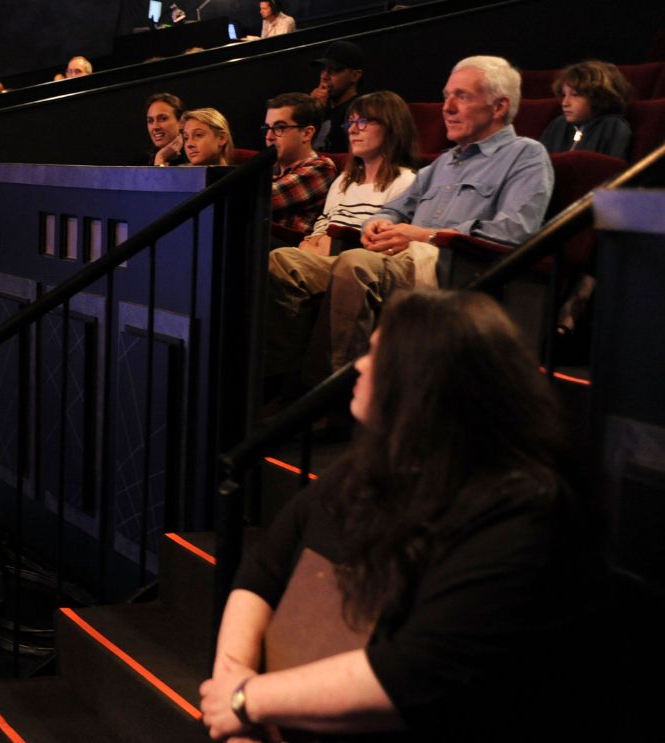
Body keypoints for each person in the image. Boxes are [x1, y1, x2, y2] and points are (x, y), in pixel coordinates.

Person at [201, 288, 600, 741]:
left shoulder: (521, 515)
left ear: (421, 383)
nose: (360, 365)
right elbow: (262, 573)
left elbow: (412, 674)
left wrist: (246, 699)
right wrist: (237, 709)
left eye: (377, 354)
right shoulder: (369, 470)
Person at [273, 56, 553, 384]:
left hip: (456, 267)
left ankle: (328, 394)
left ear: (499, 106)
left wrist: (424, 235)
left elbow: (516, 231)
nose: (447, 108)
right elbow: (392, 211)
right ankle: (276, 381)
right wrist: (376, 224)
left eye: (461, 96)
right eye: (446, 96)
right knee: (284, 263)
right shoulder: (443, 164)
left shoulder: (526, 155)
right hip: (397, 260)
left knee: (355, 264)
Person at [266, 91, 418, 384]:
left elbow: (389, 242)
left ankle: (311, 381)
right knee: (279, 259)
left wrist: (332, 242)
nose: (354, 130)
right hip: (326, 255)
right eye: (350, 123)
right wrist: (312, 240)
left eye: (364, 122)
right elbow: (324, 221)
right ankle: (280, 371)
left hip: (359, 258)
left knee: (291, 260)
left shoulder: (405, 181)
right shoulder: (344, 181)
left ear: (392, 127)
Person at [263, 92, 337, 234]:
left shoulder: (320, 168)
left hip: (287, 243)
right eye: (267, 128)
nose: (269, 136)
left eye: (280, 127)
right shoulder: (270, 166)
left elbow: (260, 199)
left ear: (307, 133)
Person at [539, 60, 633, 159]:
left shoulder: (613, 126)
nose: (565, 103)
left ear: (598, 96)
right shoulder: (558, 124)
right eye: (564, 95)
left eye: (575, 95)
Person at [310, 40, 365, 153]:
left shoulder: (360, 110)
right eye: (323, 69)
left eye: (334, 70)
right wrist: (310, 109)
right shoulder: (320, 107)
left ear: (355, 75)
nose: (324, 76)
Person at [144, 92, 187, 166]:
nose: (155, 127)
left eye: (163, 119)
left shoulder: (193, 159)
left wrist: (160, 158)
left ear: (181, 122)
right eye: (150, 121)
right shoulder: (142, 161)